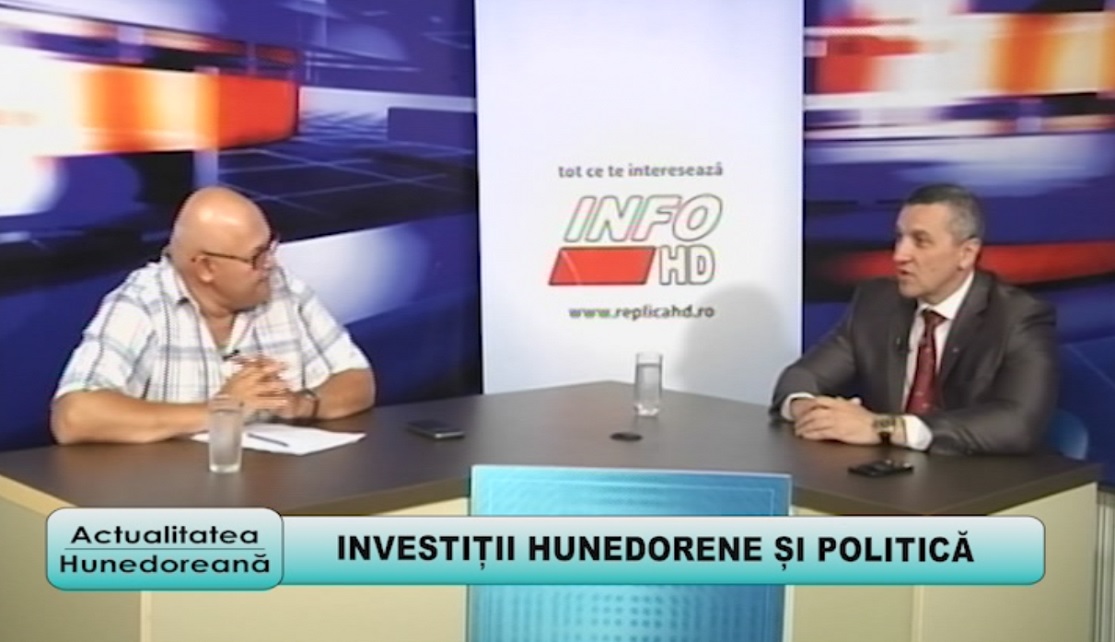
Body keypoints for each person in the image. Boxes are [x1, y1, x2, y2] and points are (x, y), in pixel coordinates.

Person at [51, 186, 376, 444]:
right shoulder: (143, 302)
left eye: (270, 247)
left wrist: (303, 404)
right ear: (206, 267)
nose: (270, 264)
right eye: (256, 256)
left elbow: (357, 380)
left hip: (279, 489)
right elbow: (74, 416)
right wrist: (221, 411)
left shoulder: (284, 290)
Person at [771, 183, 1057, 455]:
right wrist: (812, 412)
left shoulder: (1017, 317)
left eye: (921, 241)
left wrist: (882, 427)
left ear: (966, 254)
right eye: (899, 238)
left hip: (973, 478)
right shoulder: (876, 302)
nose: (899, 255)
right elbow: (802, 377)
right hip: (885, 472)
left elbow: (1018, 424)